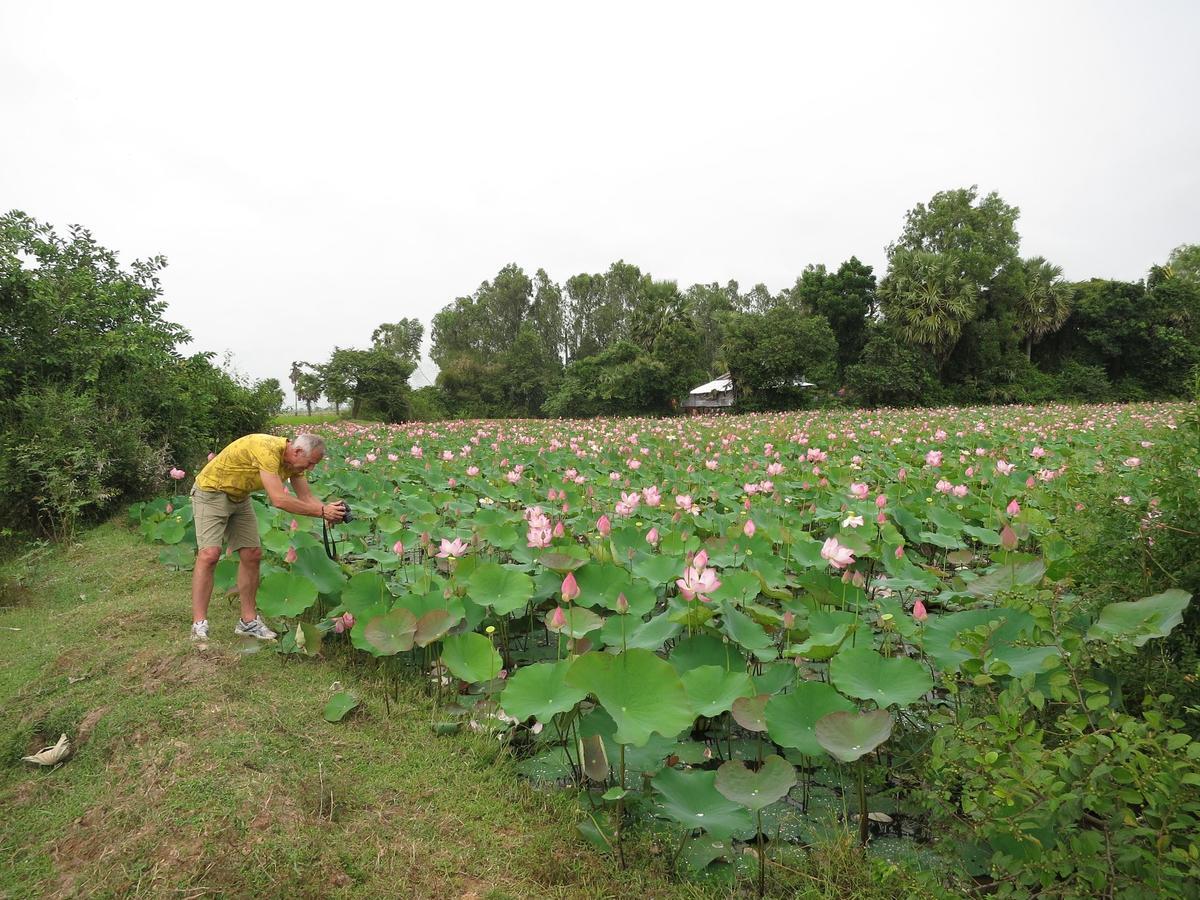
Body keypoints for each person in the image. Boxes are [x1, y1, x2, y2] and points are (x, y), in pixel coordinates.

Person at [189, 432, 345, 641]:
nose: (311, 469)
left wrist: (328, 510)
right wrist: (321, 512)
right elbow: (278, 500)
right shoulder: (267, 449)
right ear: (297, 451)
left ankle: (248, 621)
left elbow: (306, 497)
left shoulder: (294, 464)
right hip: (211, 492)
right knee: (210, 554)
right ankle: (199, 624)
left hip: (239, 497)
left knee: (252, 554)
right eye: (309, 463)